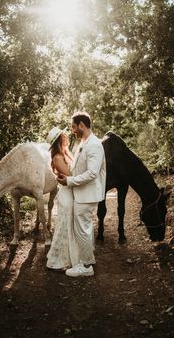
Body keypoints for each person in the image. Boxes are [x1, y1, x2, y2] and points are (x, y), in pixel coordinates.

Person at [57, 112, 106, 277]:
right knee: (85, 228)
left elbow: (92, 173)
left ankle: (85, 267)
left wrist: (69, 181)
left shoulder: (94, 145)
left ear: (82, 125)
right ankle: (87, 260)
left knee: (82, 230)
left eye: (73, 126)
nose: (72, 130)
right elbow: (78, 167)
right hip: (82, 194)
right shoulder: (84, 143)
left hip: (87, 195)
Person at [46, 126, 79, 270]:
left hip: (72, 192)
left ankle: (73, 257)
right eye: (64, 136)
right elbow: (71, 176)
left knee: (70, 225)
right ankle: (61, 259)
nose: (67, 137)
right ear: (59, 140)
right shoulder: (57, 158)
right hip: (66, 194)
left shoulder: (66, 153)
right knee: (65, 225)